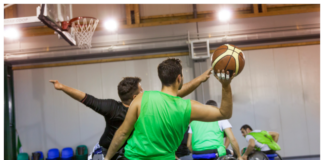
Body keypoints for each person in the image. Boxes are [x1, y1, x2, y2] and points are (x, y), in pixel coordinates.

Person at [49, 66, 212, 159]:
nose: (145, 91)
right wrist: (63, 88)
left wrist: (200, 79)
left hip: (129, 152)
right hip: (107, 150)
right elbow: (86, 98)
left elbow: (177, 93)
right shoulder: (113, 107)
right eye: (142, 90)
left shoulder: (148, 103)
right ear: (135, 97)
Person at [105, 58, 235, 160]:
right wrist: (226, 85)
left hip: (132, 158)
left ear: (161, 78)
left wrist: (106, 159)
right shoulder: (188, 107)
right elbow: (225, 113)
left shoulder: (141, 98)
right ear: (179, 78)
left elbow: (122, 133)